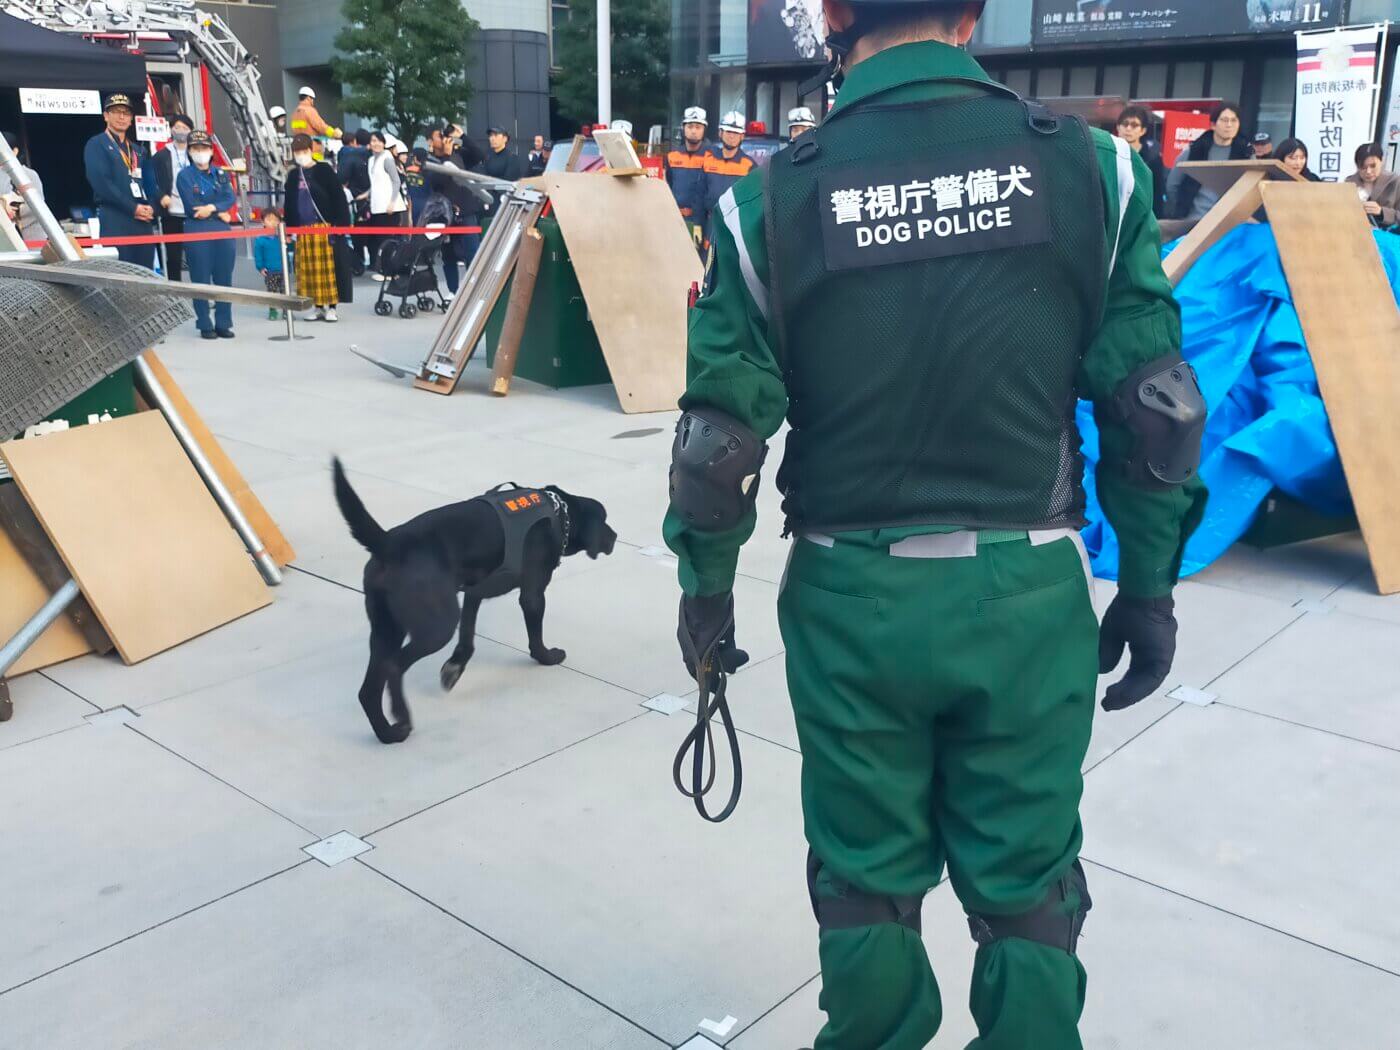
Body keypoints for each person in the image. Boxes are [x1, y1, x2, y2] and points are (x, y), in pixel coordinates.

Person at [664, 0, 1207, 1047]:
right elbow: (1155, 411)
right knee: (1029, 890)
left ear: (831, 15)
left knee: (865, 884)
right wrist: (1147, 586)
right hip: (1027, 592)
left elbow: (715, 447)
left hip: (849, 601)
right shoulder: (1093, 170)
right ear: (971, 11)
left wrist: (705, 591)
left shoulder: (771, 196)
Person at [83, 93, 160, 268]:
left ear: (131, 119)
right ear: (106, 116)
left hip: (143, 221)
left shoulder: (138, 150)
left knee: (144, 273)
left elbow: (151, 183)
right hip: (115, 218)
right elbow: (102, 183)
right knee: (120, 273)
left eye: (126, 113)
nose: (121, 117)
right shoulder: (97, 144)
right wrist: (133, 208)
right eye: (116, 112)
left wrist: (152, 206)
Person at [283, 133, 350, 322]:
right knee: (309, 271)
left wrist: (341, 223)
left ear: (311, 150)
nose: (300, 155)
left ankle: (332, 307)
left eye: (303, 151)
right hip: (304, 230)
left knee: (329, 270)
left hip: (324, 226)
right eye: (297, 152)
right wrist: (289, 228)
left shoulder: (324, 170)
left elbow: (338, 197)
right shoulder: (293, 175)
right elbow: (289, 203)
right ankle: (317, 306)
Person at [176, 131, 237, 340]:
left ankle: (223, 323)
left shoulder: (220, 173)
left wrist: (211, 207)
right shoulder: (185, 176)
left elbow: (229, 198)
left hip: (221, 230)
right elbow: (193, 207)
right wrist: (218, 210)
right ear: (190, 151)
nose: (200, 152)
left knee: (224, 278)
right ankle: (204, 323)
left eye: (204, 148)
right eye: (196, 149)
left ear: (211, 151)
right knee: (200, 278)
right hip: (197, 229)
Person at [1166, 102, 1251, 223]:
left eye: (1234, 120)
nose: (1229, 125)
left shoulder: (1246, 154)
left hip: (1230, 221)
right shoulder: (1194, 150)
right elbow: (1172, 185)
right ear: (1213, 125)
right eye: (1224, 120)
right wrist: (1182, 208)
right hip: (1193, 220)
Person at [427, 124, 483, 298]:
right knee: (448, 255)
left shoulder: (458, 154)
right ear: (430, 142)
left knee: (472, 253)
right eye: (439, 136)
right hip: (445, 214)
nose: (444, 139)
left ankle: (473, 292)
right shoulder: (431, 160)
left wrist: (462, 136)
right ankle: (453, 291)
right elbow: (438, 180)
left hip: (466, 211)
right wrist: (445, 156)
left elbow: (479, 155)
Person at [153, 113, 195, 280]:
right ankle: (175, 289)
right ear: (171, 130)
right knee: (173, 257)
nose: (181, 131)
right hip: (171, 213)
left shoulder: (196, 152)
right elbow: (151, 181)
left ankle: (200, 289)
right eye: (177, 127)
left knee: (196, 255)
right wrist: (161, 195)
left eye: (185, 128)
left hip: (194, 213)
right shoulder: (161, 155)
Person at [701, 111, 755, 233]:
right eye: (729, 132)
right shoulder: (708, 159)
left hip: (736, 226)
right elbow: (699, 194)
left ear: (742, 136)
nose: (732, 136)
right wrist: (698, 224)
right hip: (710, 224)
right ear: (720, 133)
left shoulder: (749, 165)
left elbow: (753, 203)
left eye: (736, 133)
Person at [667, 106, 712, 242]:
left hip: (703, 221)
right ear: (683, 128)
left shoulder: (712, 157)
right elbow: (669, 185)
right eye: (690, 126)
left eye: (698, 127)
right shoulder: (672, 156)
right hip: (676, 219)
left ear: (704, 130)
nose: (693, 131)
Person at [365, 129, 407, 274]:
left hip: (390, 206)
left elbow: (396, 181)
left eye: (378, 141)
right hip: (377, 206)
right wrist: (366, 194)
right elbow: (375, 183)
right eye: (373, 141)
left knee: (388, 239)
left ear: (383, 143)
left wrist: (392, 202)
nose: (375, 144)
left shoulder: (387, 158)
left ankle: (391, 270)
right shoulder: (371, 160)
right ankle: (384, 269)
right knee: (380, 239)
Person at [1115, 104, 1167, 217]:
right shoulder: (1109, 154)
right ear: (1118, 127)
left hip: (1141, 214)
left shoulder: (1153, 159)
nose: (1128, 128)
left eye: (1134, 125)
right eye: (1125, 124)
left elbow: (1158, 193)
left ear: (1143, 130)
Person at [0, 131, 46, 243]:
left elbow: (37, 203)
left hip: (31, 235)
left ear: (14, 151)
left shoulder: (28, 174)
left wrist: (9, 207)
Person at [1347, 143, 1400, 229]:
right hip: (1355, 231)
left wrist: (1382, 212)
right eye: (1363, 167)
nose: (1368, 171)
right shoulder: (1349, 183)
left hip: (1385, 234)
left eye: (1373, 166)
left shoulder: (1395, 182)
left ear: (1382, 161)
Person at [253, 207, 287, 320]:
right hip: (270, 271)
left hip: (283, 270)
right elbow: (258, 255)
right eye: (269, 220)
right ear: (263, 222)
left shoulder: (282, 237)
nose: (273, 222)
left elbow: (288, 252)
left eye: (276, 220)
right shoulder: (260, 239)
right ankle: (273, 311)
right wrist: (260, 267)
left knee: (285, 292)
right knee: (272, 292)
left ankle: (286, 311)